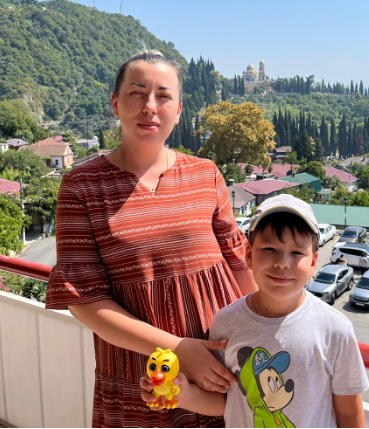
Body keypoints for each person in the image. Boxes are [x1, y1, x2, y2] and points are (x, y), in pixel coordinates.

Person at [45, 50, 257, 428]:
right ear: (115, 104)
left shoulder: (205, 174)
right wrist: (178, 349)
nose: (150, 106)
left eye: (163, 96)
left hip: (220, 366)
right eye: (137, 93)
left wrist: (272, 335)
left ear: (178, 111)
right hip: (140, 372)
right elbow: (84, 298)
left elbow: (240, 266)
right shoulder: (81, 186)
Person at [142, 194, 369, 428]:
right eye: (270, 248)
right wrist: (181, 393)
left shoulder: (335, 329)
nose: (282, 262)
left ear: (313, 263)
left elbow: (349, 413)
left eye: (297, 253)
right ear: (249, 255)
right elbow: (226, 401)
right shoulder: (226, 323)